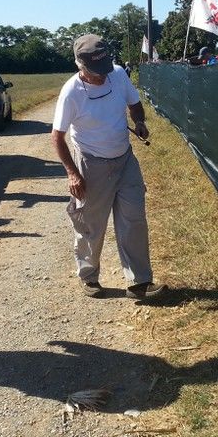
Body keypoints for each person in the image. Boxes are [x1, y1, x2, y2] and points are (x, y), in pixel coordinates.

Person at [51, 34, 165, 299]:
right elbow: (57, 137)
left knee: (133, 219)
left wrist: (139, 122)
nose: (103, 77)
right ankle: (89, 275)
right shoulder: (71, 93)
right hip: (91, 164)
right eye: (95, 72)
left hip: (125, 160)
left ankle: (139, 283)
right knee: (91, 224)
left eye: (104, 70)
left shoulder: (116, 74)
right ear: (80, 66)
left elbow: (134, 103)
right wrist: (73, 173)